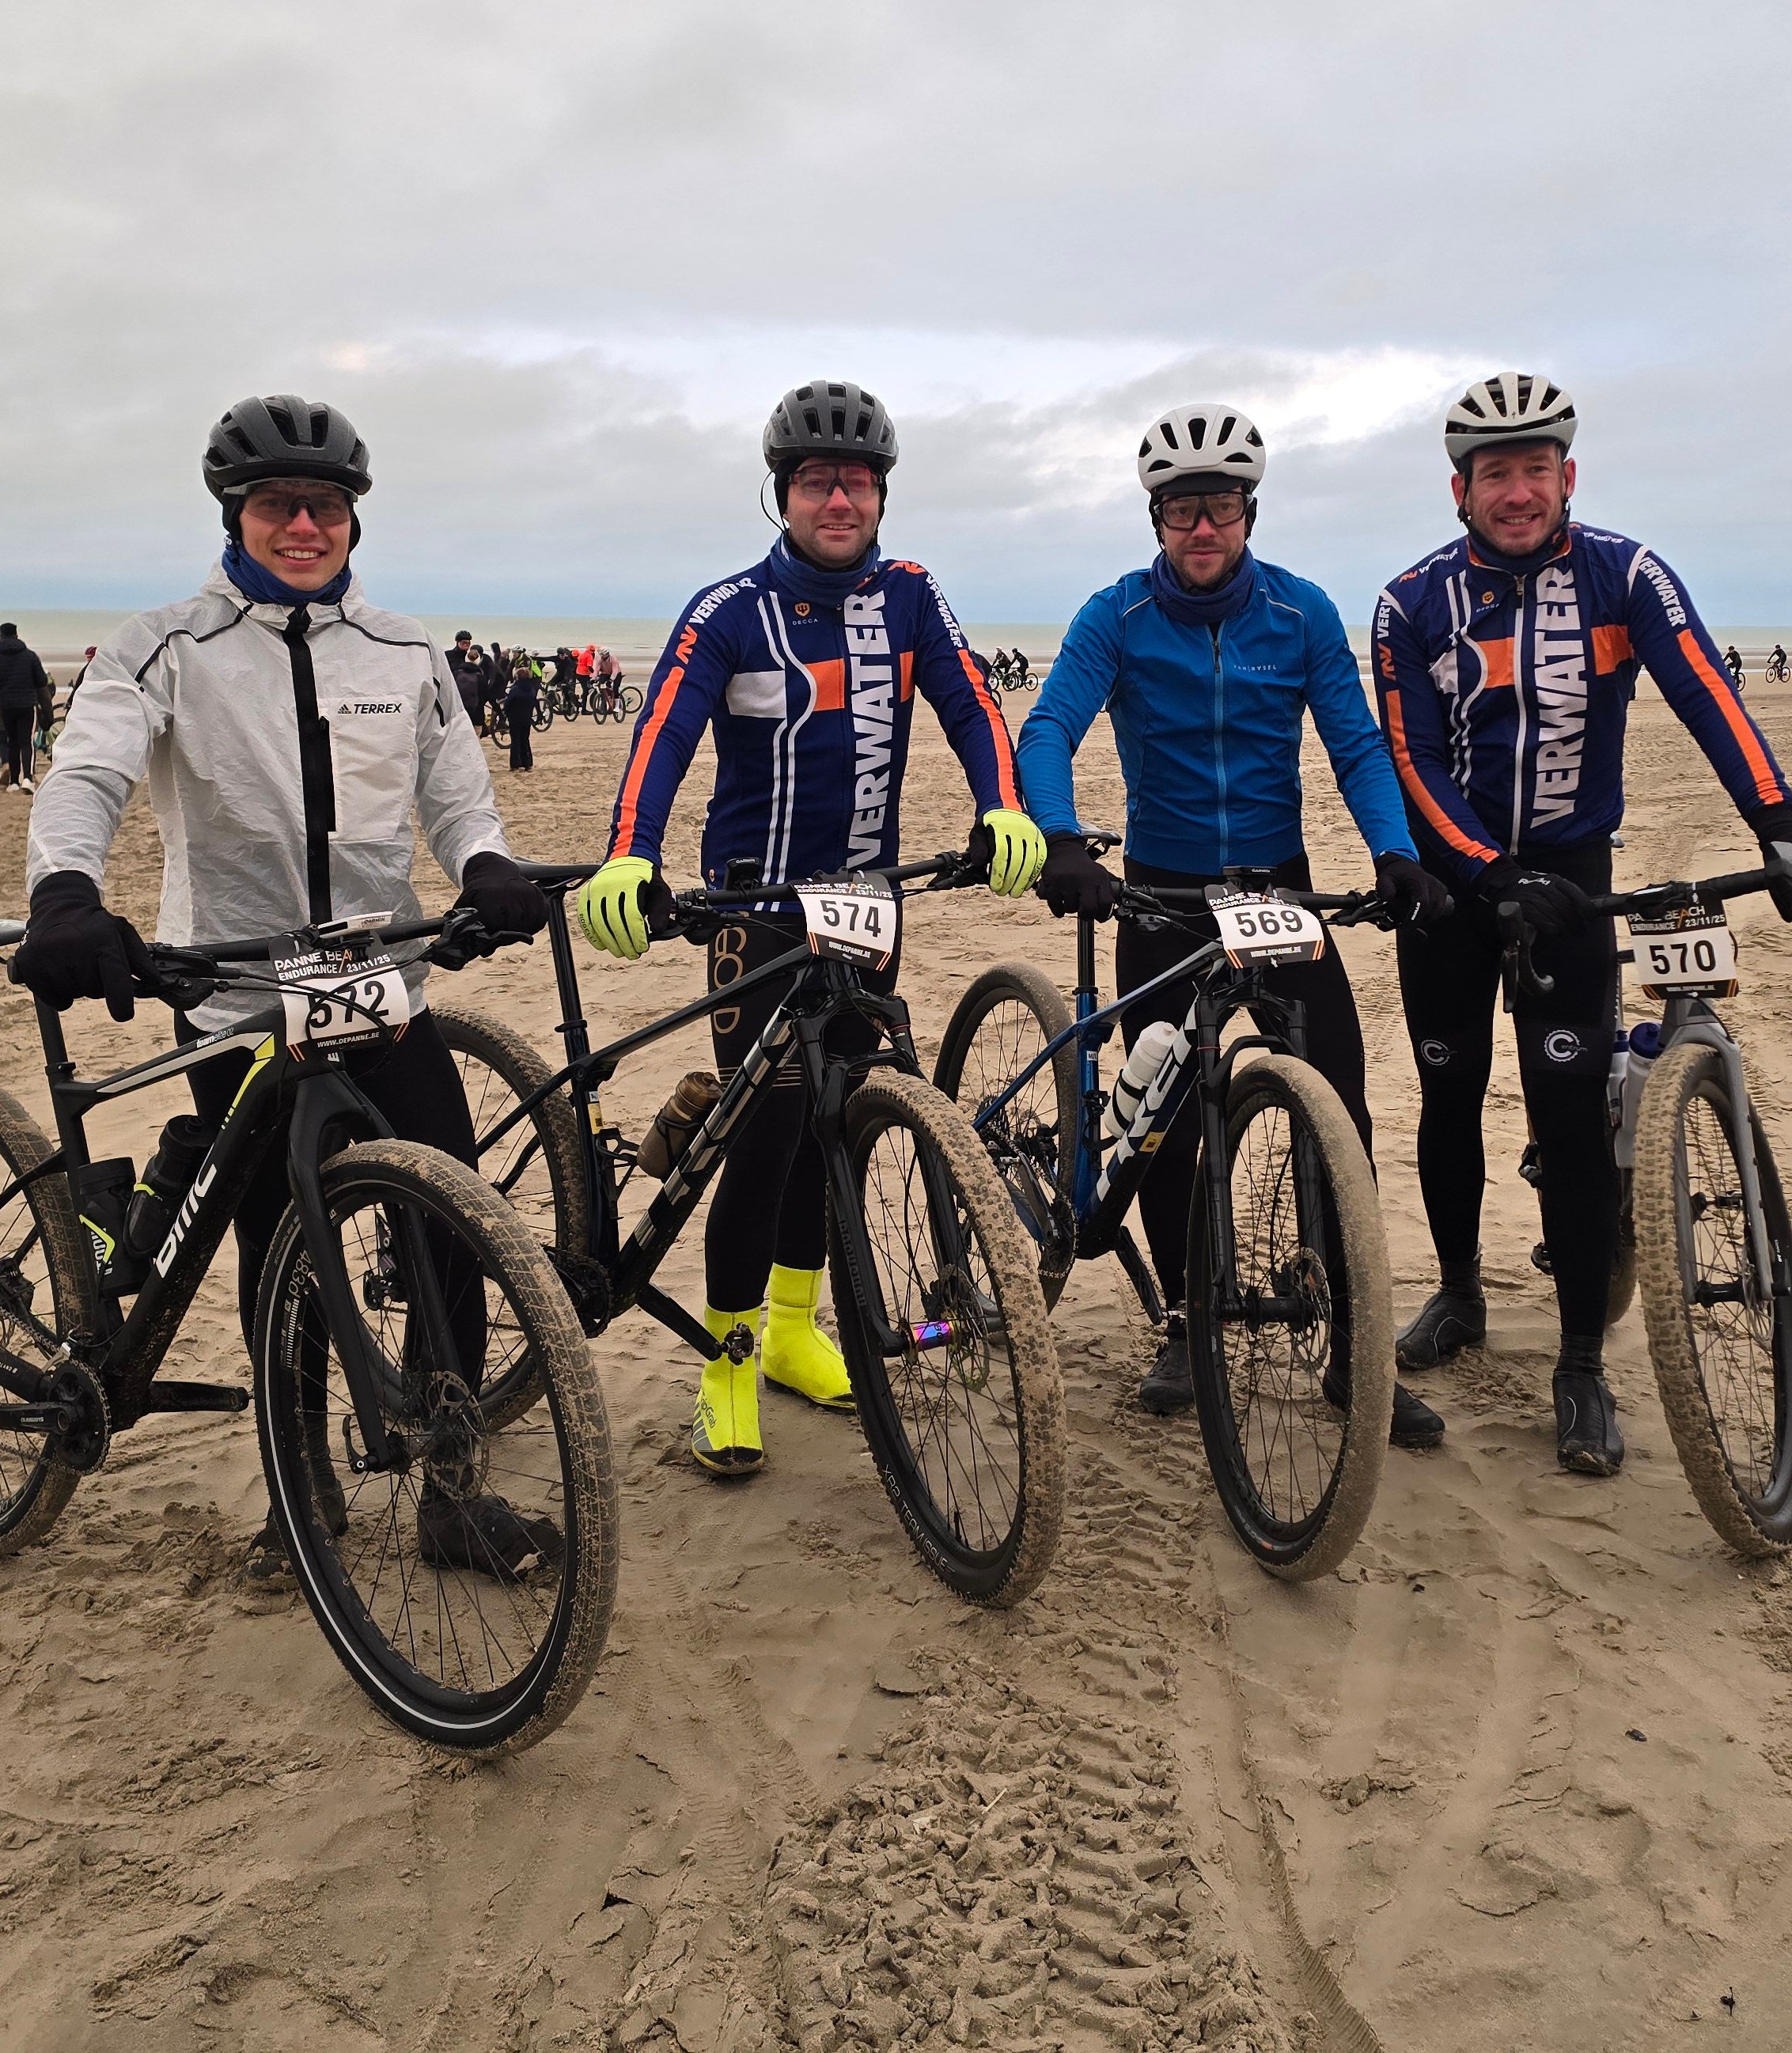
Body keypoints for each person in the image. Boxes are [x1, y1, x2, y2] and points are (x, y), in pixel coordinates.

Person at [11, 391, 558, 1583]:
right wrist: (66, 890)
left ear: (354, 519)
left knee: (452, 1223)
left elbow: (455, 789)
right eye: (277, 505)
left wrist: (484, 863)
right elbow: (89, 772)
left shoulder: (405, 650)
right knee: (276, 1240)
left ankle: (454, 1495)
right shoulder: (164, 644)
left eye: (324, 507)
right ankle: (298, 1486)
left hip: (378, 977)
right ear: (235, 514)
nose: (303, 526)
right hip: (237, 988)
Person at [1372, 373, 1792, 1477]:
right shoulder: (1410, 602)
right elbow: (1410, 760)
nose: (1518, 491)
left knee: (1571, 1117)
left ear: (1569, 477)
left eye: (1536, 470)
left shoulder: (1625, 575)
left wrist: (1783, 824)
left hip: (1573, 885)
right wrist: (1486, 873)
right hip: (1453, 887)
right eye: (1496, 473)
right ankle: (1458, 1291)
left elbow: (1705, 691)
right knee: (1449, 1097)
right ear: (1460, 490)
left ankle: (1581, 1362)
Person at [578, 378, 1043, 1477]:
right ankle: (729, 1362)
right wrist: (631, 850)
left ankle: (794, 1329)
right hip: (755, 913)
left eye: (859, 482)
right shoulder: (729, 610)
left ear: (882, 493)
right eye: (818, 482)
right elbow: (664, 731)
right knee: (767, 1134)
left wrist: (1003, 804)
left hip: (868, 904)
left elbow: (971, 702)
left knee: (833, 1126)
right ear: (782, 493)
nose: (840, 500)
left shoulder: (912, 595)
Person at [1018, 404, 1453, 1451]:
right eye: (1181, 510)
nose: (1201, 528)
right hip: (1160, 899)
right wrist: (1061, 837)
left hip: (1279, 893)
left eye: (1218, 506)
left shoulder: (1300, 613)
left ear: (1249, 511)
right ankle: (1186, 1319)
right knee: (1164, 1123)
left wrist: (1394, 851)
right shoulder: (1114, 616)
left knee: (1338, 1113)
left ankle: (1355, 1350)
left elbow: (1355, 746)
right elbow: (1049, 726)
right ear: (1156, 519)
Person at [0, 622, 51, 793]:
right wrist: (47, 712)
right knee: (27, 742)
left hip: (5, 706)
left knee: (12, 742)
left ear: (0, 636)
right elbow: (42, 685)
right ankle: (27, 779)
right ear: (16, 635)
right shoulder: (30, 657)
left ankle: (14, 782)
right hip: (27, 705)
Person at [502, 660, 540, 771]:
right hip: (526, 718)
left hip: (515, 718)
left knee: (515, 741)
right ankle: (528, 764)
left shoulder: (515, 690)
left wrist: (506, 713)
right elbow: (534, 703)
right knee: (525, 740)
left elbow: (508, 704)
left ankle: (515, 764)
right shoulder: (531, 690)